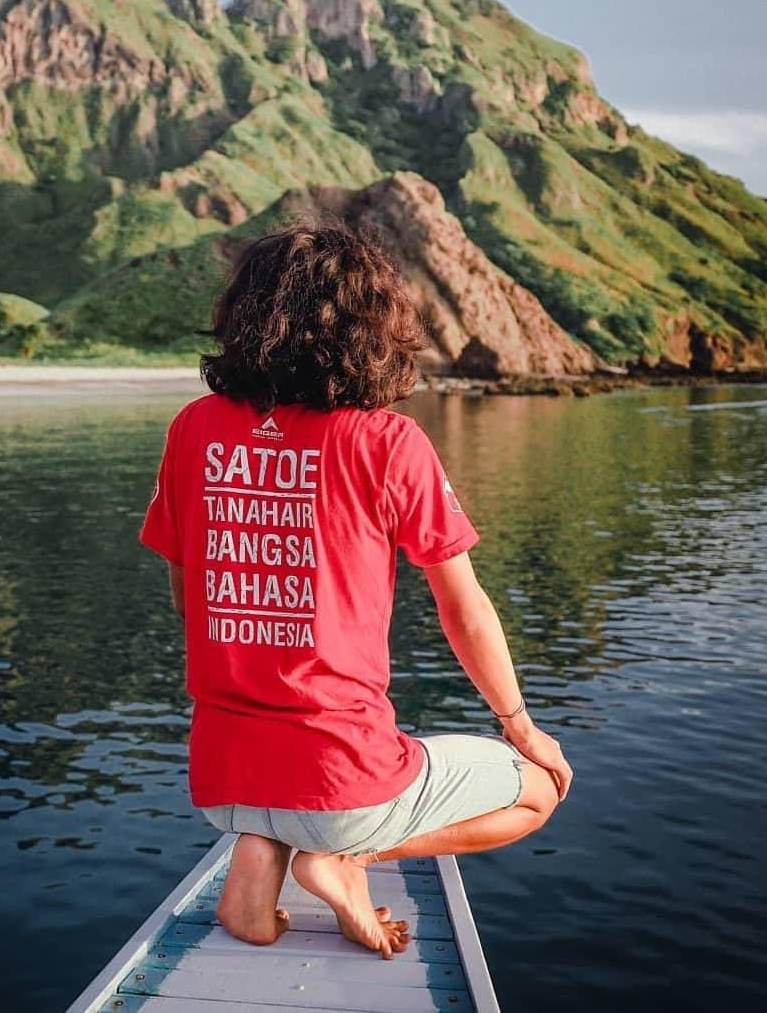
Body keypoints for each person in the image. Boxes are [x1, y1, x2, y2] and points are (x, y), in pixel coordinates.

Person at [138, 212, 572, 961]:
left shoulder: (192, 430)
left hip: (221, 779)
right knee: (537, 791)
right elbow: (462, 607)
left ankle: (262, 857)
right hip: (342, 779)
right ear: (371, 326)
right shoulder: (388, 442)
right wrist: (521, 726)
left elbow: (189, 599)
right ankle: (345, 861)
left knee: (282, 804)